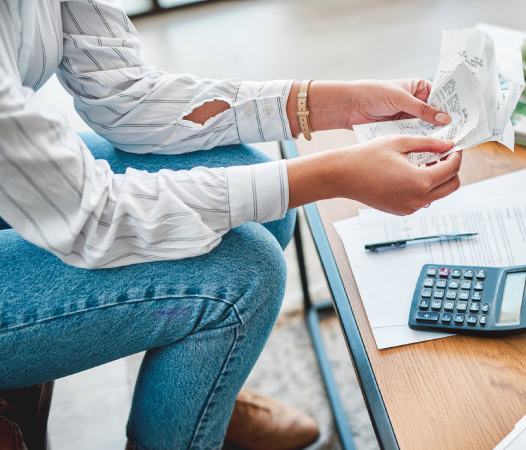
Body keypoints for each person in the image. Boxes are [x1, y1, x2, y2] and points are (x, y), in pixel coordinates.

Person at [0, 1, 462, 449]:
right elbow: (94, 218)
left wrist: (336, 103)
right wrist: (333, 175)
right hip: (64, 201)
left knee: (264, 199)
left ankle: (201, 392)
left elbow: (126, 97)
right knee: (245, 276)